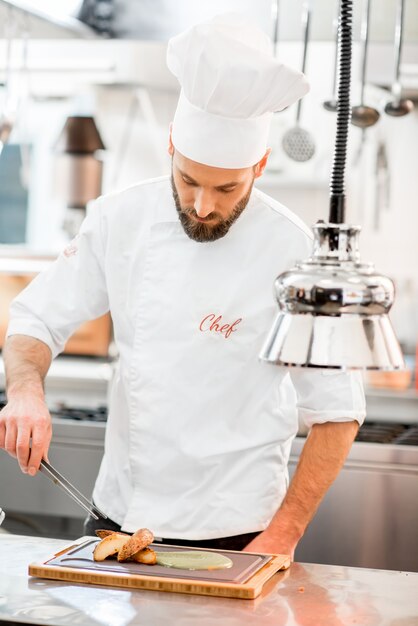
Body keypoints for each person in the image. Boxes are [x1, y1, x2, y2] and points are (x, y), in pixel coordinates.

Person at [0, 14, 365, 556]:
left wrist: (283, 534)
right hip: (116, 518)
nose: (202, 205)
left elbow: (337, 411)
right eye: (189, 179)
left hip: (238, 531)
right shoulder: (117, 219)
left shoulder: (296, 255)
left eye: (226, 188)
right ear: (171, 145)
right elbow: (36, 319)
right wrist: (25, 390)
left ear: (260, 165)